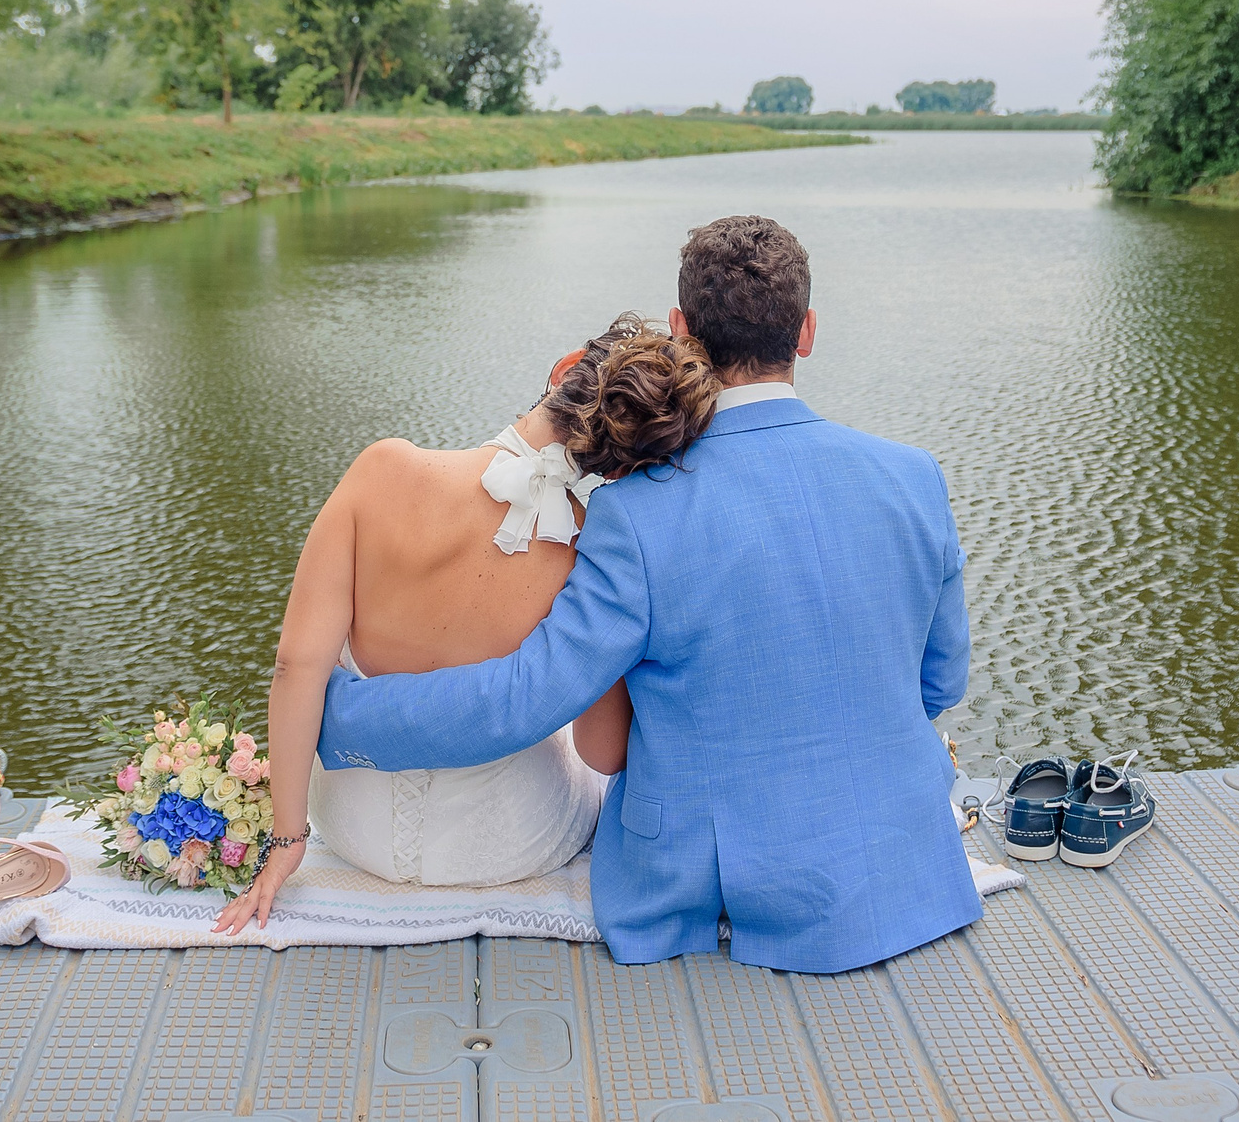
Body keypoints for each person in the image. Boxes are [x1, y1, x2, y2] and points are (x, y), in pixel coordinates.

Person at [314, 215, 978, 973]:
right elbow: (939, 683)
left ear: (682, 330)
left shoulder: (636, 511)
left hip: (713, 884)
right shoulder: (913, 476)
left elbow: (523, 698)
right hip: (899, 859)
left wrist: (336, 716)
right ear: (807, 333)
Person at [216, 314, 720, 933]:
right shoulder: (594, 548)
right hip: (513, 841)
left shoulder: (384, 470)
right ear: (625, 461)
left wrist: (289, 839)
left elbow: (297, 667)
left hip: (354, 830)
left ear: (564, 370)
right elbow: (602, 750)